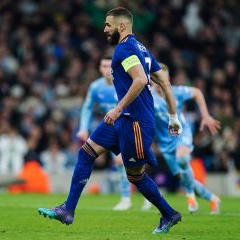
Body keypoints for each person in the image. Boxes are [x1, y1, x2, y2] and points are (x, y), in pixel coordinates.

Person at [38, 7, 183, 234]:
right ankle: (67, 210)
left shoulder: (124, 49)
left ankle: (169, 213)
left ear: (121, 26)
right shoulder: (141, 48)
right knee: (86, 152)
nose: (105, 29)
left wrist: (117, 108)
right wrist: (173, 118)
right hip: (124, 120)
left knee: (135, 176)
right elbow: (163, 82)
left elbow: (140, 80)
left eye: (108, 25)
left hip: (135, 121)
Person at [141, 63, 221, 214]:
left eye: (163, 77)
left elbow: (197, 92)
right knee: (184, 179)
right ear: (152, 79)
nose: (160, 81)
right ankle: (213, 199)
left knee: (183, 159)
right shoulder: (148, 96)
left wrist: (205, 116)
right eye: (157, 78)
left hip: (181, 134)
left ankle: (190, 196)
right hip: (165, 144)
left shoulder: (176, 92)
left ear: (168, 78)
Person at [76, 55, 132, 211]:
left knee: (127, 162)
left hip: (126, 124)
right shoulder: (95, 87)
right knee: (120, 161)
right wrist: (83, 128)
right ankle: (127, 198)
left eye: (110, 66)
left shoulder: (122, 83)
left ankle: (130, 197)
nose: (107, 70)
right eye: (104, 66)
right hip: (108, 126)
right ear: (100, 69)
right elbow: (87, 107)